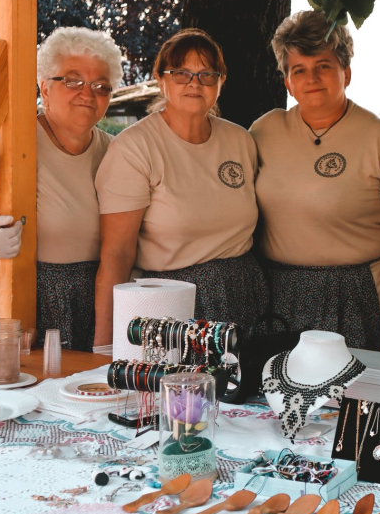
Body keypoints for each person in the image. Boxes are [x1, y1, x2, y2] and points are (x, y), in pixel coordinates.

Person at [250, 11, 380, 353]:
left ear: (346, 72)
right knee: (280, 403)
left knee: (351, 403)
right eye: (298, 70)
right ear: (287, 81)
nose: (311, 78)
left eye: (323, 66)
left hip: (358, 293)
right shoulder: (263, 132)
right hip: (278, 293)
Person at [94, 29, 267, 347]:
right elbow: (117, 253)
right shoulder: (135, 148)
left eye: (206, 74)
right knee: (180, 395)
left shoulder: (241, 141)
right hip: (170, 306)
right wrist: (107, 344)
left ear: (221, 81)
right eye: (181, 73)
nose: (194, 83)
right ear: (161, 79)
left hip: (243, 295)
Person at [0, 27, 122, 352]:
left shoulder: (116, 153)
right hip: (5, 305)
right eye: (72, 81)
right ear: (44, 86)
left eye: (101, 85)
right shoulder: (8, 139)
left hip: (85, 313)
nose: (88, 93)